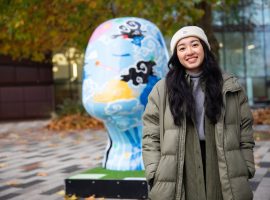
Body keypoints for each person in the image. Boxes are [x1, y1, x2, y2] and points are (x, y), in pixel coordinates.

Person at [142, 26, 255, 200]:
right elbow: (150, 135)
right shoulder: (161, 90)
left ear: (204, 48)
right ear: (176, 55)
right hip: (179, 164)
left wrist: (246, 165)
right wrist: (154, 171)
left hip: (222, 161)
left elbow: (245, 131)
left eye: (194, 44)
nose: (189, 51)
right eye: (182, 48)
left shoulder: (229, 86)